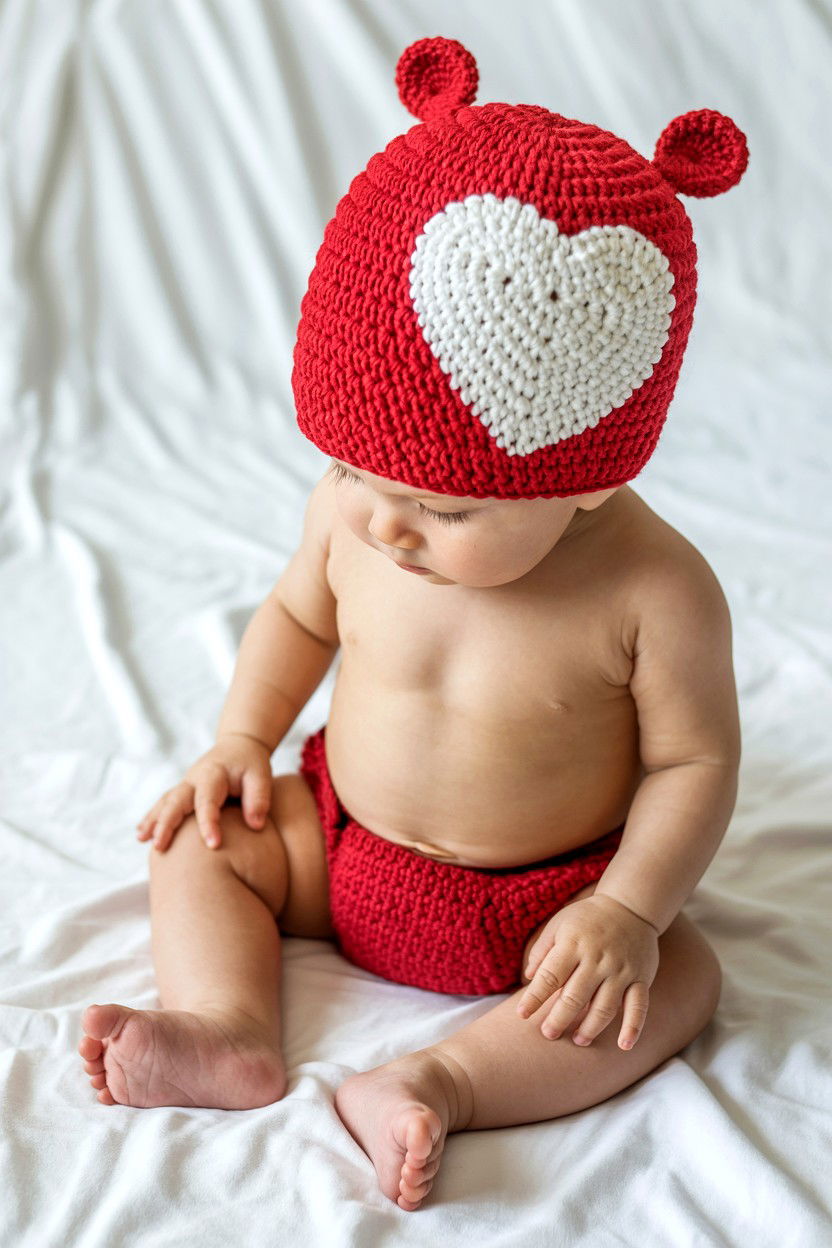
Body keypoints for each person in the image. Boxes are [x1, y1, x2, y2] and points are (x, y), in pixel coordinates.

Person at [78, 37, 748, 1212]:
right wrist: (242, 739)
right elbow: (296, 615)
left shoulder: (654, 590)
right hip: (337, 849)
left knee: (681, 977)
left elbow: (695, 760)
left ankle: (441, 1079)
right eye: (352, 467)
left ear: (589, 479)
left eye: (443, 507)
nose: (386, 525)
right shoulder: (354, 510)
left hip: (543, 907)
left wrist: (626, 909)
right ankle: (228, 1028)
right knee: (197, 840)